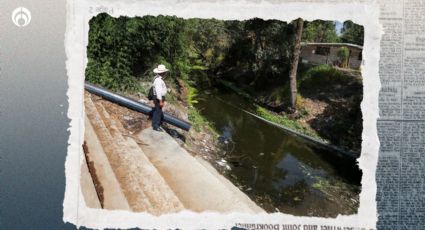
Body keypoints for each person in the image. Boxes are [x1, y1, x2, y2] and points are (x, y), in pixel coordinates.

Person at [151, 64, 168, 131]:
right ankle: (156, 126)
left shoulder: (157, 78)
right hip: (158, 98)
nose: (165, 73)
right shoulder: (158, 80)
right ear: (162, 72)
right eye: (164, 72)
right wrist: (160, 101)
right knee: (158, 112)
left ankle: (156, 125)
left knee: (157, 111)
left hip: (158, 98)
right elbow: (158, 92)